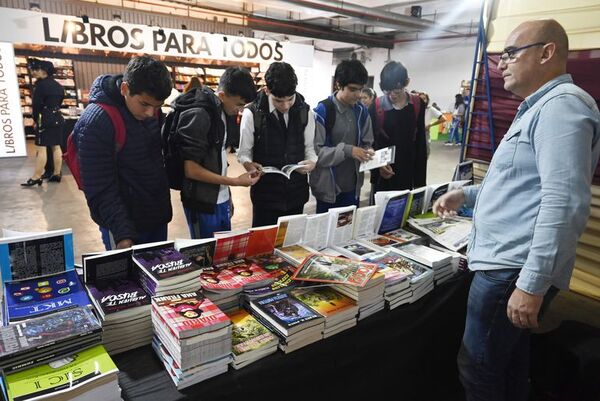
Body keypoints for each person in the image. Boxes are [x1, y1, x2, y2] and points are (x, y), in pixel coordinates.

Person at [433, 19, 600, 401]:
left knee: (479, 367)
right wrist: (467, 196)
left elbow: (564, 201)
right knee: (507, 362)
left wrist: (532, 283)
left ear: (547, 52)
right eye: (499, 56)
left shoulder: (561, 109)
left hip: (512, 268)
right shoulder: (537, 109)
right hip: (509, 264)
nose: (500, 64)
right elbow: (521, 185)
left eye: (511, 53)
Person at [73, 56, 173, 250]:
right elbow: (99, 186)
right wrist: (123, 234)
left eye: (158, 106)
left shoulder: (150, 109)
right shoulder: (96, 121)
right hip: (123, 227)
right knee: (127, 280)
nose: (151, 113)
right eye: (144, 104)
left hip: (156, 219)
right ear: (125, 89)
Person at [172, 66, 259, 239]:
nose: (240, 110)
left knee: (222, 255)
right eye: (239, 104)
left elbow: (218, 159)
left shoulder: (221, 112)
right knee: (205, 256)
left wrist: (228, 195)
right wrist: (234, 181)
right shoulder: (201, 114)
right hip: (202, 202)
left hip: (220, 199)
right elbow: (191, 169)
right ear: (222, 95)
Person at [238, 62, 317, 227]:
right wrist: (248, 164)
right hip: (265, 196)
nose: (286, 106)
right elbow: (243, 153)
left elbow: (310, 150)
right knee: (263, 248)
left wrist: (311, 163)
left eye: (290, 99)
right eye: (279, 101)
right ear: (267, 90)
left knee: (292, 245)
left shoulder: (305, 112)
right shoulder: (252, 113)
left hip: (297, 193)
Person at [310, 59, 374, 213]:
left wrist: (369, 151)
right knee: (326, 234)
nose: (358, 95)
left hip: (353, 188)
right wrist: (347, 150)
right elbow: (315, 154)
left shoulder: (361, 112)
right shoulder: (322, 111)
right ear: (338, 84)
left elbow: (367, 141)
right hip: (328, 189)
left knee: (349, 233)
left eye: (361, 89)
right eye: (352, 89)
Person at [370, 61, 427, 196]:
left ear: (406, 82)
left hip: (408, 171)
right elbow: (370, 142)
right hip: (383, 173)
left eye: (396, 91)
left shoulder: (417, 104)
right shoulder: (376, 106)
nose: (392, 96)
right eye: (387, 92)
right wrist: (378, 166)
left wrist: (420, 183)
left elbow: (420, 143)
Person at [21, 59, 65, 187]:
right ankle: (57, 174)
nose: (33, 72)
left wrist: (35, 120)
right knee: (56, 147)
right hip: (57, 117)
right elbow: (60, 101)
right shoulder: (58, 85)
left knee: (41, 149)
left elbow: (36, 106)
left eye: (36, 70)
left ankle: (36, 176)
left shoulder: (40, 86)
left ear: (44, 71)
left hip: (45, 119)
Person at [420, 92, 446, 158]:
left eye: (424, 98)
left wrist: (430, 125)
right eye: (420, 98)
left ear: (427, 100)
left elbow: (443, 119)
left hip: (424, 132)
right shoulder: (414, 108)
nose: (422, 100)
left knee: (426, 150)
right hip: (414, 132)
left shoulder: (430, 109)